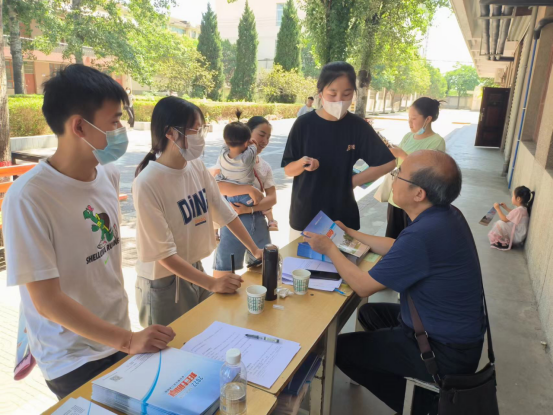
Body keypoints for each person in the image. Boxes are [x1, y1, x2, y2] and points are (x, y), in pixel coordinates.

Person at [3, 65, 176, 400]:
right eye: (114, 121)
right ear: (80, 126)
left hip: (117, 336)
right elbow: (47, 301)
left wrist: (124, 337)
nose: (121, 130)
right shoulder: (28, 198)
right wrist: (128, 340)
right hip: (72, 358)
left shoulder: (107, 174)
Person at [304, 150, 485, 415]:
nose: (394, 177)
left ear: (418, 193)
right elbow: (397, 246)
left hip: (444, 352)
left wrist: (330, 248)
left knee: (340, 350)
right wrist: (351, 233)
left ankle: (425, 407)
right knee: (370, 313)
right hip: (453, 335)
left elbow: (363, 286)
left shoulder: (424, 235)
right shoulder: (445, 215)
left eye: (399, 174)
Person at [132, 97, 263, 328]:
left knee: (202, 336)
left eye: (202, 129)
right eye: (195, 130)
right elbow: (163, 253)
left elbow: (224, 211)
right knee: (173, 345)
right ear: (170, 133)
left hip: (194, 268)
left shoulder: (195, 166)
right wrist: (212, 284)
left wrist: (255, 250)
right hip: (163, 282)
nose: (200, 137)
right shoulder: (147, 182)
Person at [282, 61, 396, 240]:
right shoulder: (304, 124)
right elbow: (288, 170)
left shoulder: (358, 126)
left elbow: (388, 162)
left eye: (347, 94)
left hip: (343, 216)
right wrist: (303, 163)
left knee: (342, 258)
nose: (339, 100)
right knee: (301, 258)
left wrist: (353, 181)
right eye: (332, 93)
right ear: (320, 92)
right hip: (306, 215)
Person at [212, 116, 278, 276]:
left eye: (268, 137)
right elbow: (217, 187)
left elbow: (272, 198)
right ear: (247, 134)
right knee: (225, 273)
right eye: (261, 135)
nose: (265, 141)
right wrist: (248, 189)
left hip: (257, 223)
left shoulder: (264, 167)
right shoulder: (227, 159)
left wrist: (248, 210)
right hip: (230, 223)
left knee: (262, 272)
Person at [385, 97, 446, 238]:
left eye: (413, 119)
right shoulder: (408, 137)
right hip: (396, 198)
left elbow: (427, 173)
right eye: (408, 118)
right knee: (392, 239)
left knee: (409, 240)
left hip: (415, 203)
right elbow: (396, 163)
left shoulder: (436, 142)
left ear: (428, 119)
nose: (409, 123)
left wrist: (402, 154)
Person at [488, 186, 534, 250]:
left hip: (516, 237)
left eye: (513, 196)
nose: (512, 198)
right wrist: (506, 208)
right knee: (507, 223)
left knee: (500, 223)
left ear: (518, 199)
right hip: (519, 235)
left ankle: (502, 242)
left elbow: (504, 219)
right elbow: (514, 214)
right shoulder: (523, 208)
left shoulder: (519, 210)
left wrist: (497, 208)